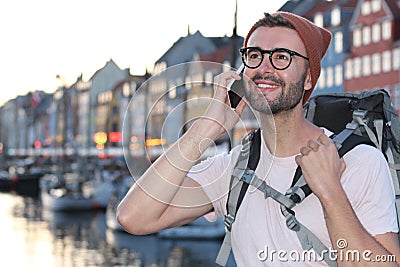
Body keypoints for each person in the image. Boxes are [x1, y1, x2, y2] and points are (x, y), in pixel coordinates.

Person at [117, 12, 400, 266]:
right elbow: (133, 217)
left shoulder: (358, 161)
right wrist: (204, 129)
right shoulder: (234, 168)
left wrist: (330, 193)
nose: (264, 68)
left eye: (281, 57)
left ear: (310, 77)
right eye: (254, 55)